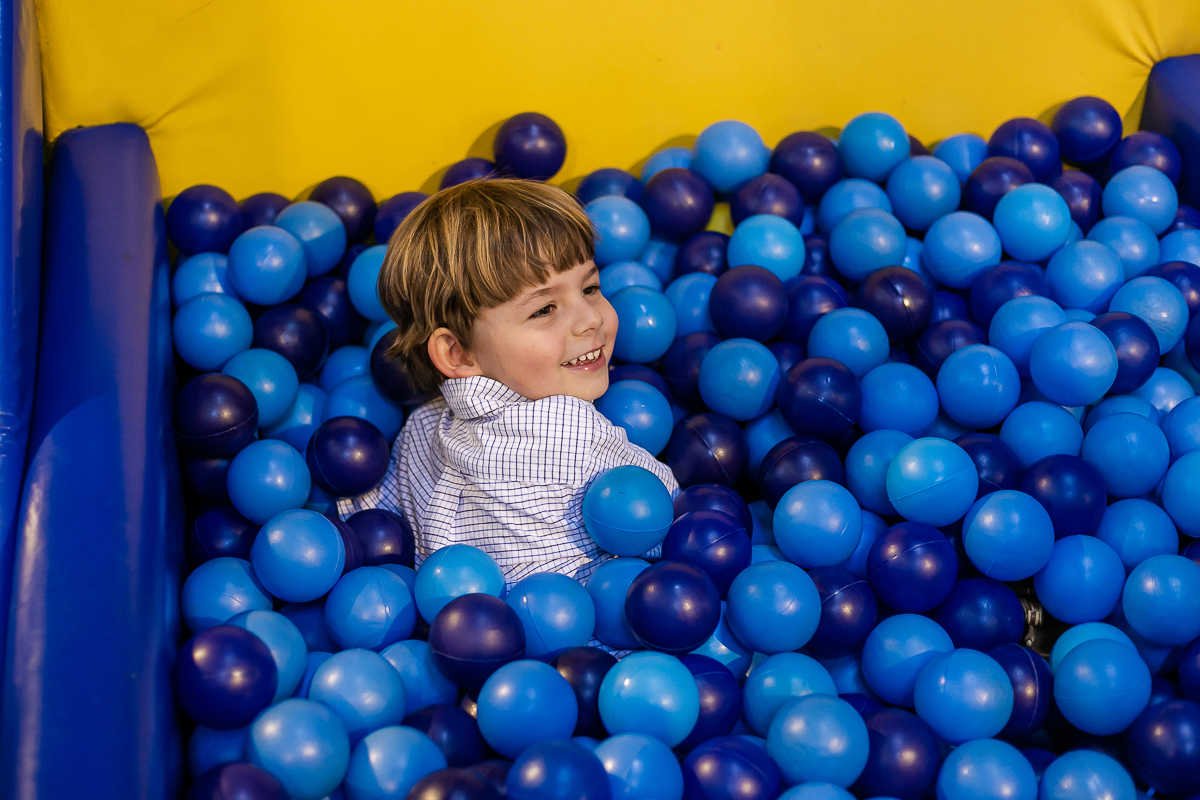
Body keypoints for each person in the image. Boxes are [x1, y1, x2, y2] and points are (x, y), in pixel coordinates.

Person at [337, 178, 678, 588]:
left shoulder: (421, 428)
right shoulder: (578, 437)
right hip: (585, 633)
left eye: (590, 288)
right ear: (458, 353)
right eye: (545, 309)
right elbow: (671, 520)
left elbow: (369, 517)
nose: (590, 318)